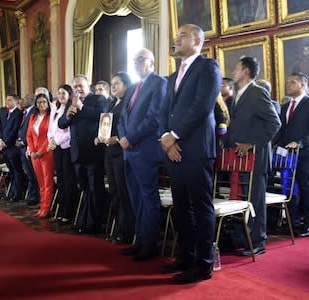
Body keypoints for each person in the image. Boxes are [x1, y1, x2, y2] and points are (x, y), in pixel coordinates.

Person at [159, 24, 221, 284]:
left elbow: (202, 106)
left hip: (196, 149)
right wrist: (166, 138)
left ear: (197, 41)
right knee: (181, 207)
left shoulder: (209, 68)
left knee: (200, 206)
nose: (176, 39)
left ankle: (203, 263)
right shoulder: (173, 76)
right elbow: (165, 110)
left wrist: (176, 135)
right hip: (174, 150)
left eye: (182, 35)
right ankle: (186, 256)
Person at [226, 56, 281, 256]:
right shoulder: (237, 95)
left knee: (255, 201)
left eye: (236, 68)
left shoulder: (257, 93)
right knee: (243, 199)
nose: (233, 72)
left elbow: (275, 123)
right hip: (239, 157)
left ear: (246, 71)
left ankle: (258, 241)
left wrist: (252, 144)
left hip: (256, 157)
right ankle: (244, 238)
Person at [117, 48, 166, 261]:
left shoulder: (159, 83)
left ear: (151, 62)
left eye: (140, 60)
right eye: (134, 60)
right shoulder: (134, 87)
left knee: (148, 198)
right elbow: (121, 118)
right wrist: (122, 137)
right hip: (129, 151)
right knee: (136, 198)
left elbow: (154, 118)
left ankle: (151, 243)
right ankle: (139, 240)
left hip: (145, 150)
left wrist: (131, 138)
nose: (136, 63)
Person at [274, 72, 309, 237]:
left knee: (306, 188)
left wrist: (301, 142)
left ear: (303, 85)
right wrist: (275, 144)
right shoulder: (286, 106)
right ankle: (292, 222)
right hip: (287, 155)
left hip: (305, 155)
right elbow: (282, 129)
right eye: (288, 81)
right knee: (289, 189)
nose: (288, 85)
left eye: (293, 82)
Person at [58, 74, 106, 233]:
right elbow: (61, 123)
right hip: (77, 153)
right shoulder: (72, 102)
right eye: (75, 87)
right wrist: (68, 114)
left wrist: (81, 107)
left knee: (95, 189)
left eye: (81, 86)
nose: (78, 89)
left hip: (93, 152)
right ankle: (84, 221)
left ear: (89, 85)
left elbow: (101, 116)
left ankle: (94, 224)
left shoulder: (98, 99)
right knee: (85, 189)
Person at [97, 72, 134, 244]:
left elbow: (130, 126)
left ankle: (126, 232)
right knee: (114, 192)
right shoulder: (112, 103)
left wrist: (117, 139)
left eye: (117, 83)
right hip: (109, 153)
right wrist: (100, 136)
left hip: (122, 152)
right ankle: (119, 229)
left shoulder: (128, 102)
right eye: (112, 83)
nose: (113, 86)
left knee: (123, 192)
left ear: (126, 85)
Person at [48, 85, 78, 223]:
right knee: (60, 180)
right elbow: (51, 129)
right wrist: (51, 140)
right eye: (59, 93)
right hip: (57, 148)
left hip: (66, 148)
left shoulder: (71, 109)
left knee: (68, 181)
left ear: (69, 94)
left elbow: (70, 132)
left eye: (64, 93)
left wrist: (56, 142)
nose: (60, 95)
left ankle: (68, 213)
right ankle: (61, 210)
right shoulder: (56, 109)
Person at [26, 92, 55, 218]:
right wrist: (32, 151)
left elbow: (51, 136)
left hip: (47, 152)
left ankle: (46, 208)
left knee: (48, 182)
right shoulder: (33, 117)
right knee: (40, 182)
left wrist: (40, 151)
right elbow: (29, 135)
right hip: (34, 155)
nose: (41, 104)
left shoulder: (51, 117)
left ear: (48, 103)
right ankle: (41, 206)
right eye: (39, 102)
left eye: (44, 101)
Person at [0, 94, 24, 202]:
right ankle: (12, 193)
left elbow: (15, 130)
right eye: (6, 100)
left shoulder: (18, 113)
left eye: (9, 100)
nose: (7, 102)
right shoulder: (7, 114)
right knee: (12, 172)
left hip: (13, 148)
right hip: (5, 148)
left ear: (16, 101)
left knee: (17, 172)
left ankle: (17, 194)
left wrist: (5, 142)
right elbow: (3, 129)